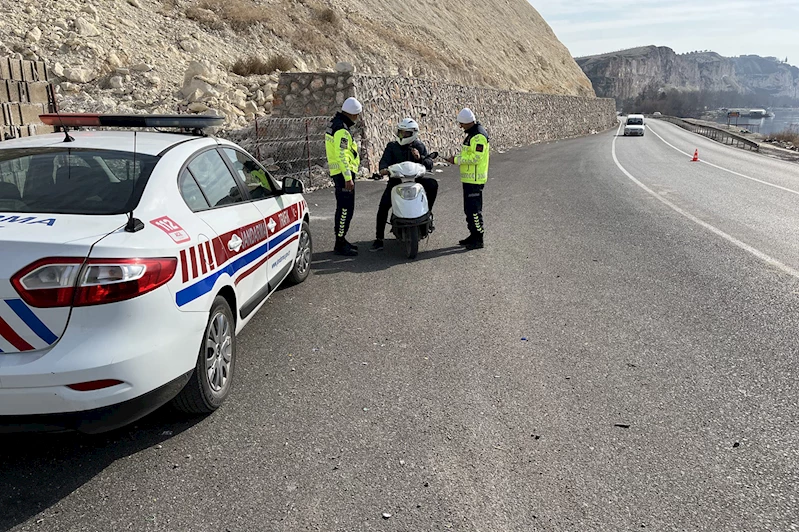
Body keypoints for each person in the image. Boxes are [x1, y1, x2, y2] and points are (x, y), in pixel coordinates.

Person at [370, 118, 438, 251]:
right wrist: (383, 169)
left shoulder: (418, 146)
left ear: (413, 133)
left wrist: (420, 158)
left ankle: (426, 212)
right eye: (400, 132)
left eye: (405, 133)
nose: (402, 135)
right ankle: (379, 239)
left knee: (433, 185)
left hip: (416, 181)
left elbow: (429, 164)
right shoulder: (392, 146)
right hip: (396, 182)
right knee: (383, 206)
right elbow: (383, 163)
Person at [445, 108, 490, 250]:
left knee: (475, 211)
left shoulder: (479, 136)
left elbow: (476, 157)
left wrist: (457, 159)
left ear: (468, 122)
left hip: (475, 180)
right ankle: (473, 235)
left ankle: (479, 239)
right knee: (469, 210)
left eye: (462, 124)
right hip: (469, 179)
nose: (461, 127)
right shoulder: (472, 134)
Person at [325, 97, 362, 256]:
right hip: (342, 175)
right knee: (346, 210)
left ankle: (341, 239)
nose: (357, 118)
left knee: (343, 208)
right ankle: (339, 243)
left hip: (339, 173)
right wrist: (348, 177)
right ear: (353, 114)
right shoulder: (342, 129)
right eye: (357, 115)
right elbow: (342, 155)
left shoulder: (335, 123)